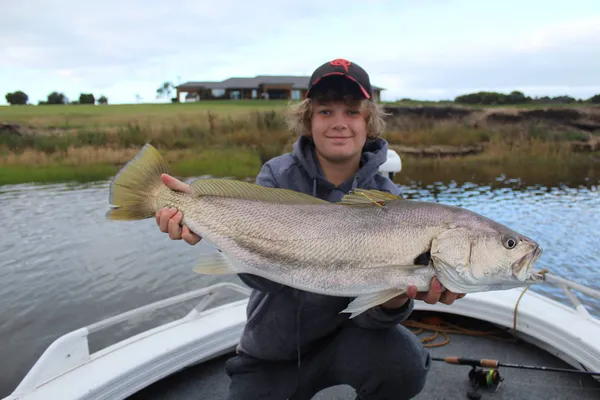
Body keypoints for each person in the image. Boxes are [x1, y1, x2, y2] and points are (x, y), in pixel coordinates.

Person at [155, 59, 465, 400]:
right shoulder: (276, 177)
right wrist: (204, 225)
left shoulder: (390, 201)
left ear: (369, 122)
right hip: (274, 346)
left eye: (351, 112)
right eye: (325, 112)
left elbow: (374, 320)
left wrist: (392, 301)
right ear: (308, 120)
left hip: (350, 340)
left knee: (405, 364)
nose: (339, 124)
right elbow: (258, 279)